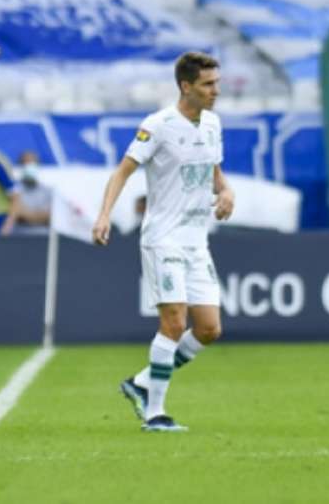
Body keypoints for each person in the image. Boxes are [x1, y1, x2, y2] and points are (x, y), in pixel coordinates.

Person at [92, 51, 235, 432]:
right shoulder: (158, 125)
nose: (215, 91)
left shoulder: (213, 124)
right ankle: (155, 412)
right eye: (207, 84)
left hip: (195, 240)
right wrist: (104, 214)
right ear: (185, 86)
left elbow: (213, 168)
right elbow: (122, 172)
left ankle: (139, 383)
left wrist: (226, 191)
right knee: (173, 323)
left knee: (208, 329)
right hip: (163, 238)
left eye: (216, 83)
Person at [16, 150, 52, 233]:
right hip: (19, 237)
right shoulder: (14, 191)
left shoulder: (48, 191)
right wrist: (39, 216)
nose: (29, 167)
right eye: (26, 164)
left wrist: (26, 215)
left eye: (33, 164)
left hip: (43, 237)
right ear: (21, 166)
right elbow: (16, 213)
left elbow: (52, 216)